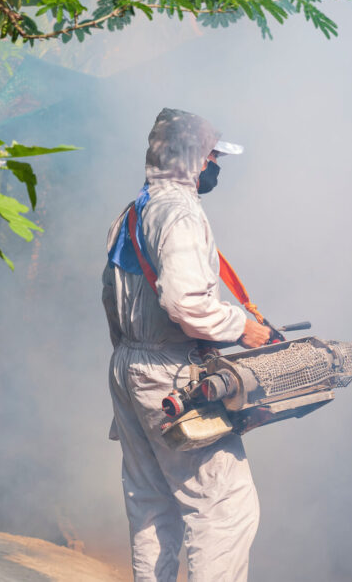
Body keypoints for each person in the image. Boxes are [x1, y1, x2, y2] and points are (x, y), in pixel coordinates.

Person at [103, 108, 270, 581]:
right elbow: (184, 304)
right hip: (167, 371)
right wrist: (242, 326)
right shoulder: (179, 213)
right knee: (224, 509)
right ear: (193, 159)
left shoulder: (133, 212)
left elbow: (109, 298)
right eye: (213, 156)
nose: (216, 166)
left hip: (130, 365)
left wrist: (131, 368)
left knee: (152, 504)